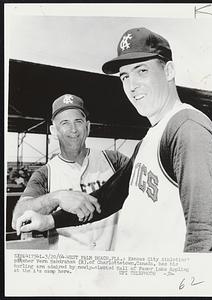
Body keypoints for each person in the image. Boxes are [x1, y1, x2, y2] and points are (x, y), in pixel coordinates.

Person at [16, 27, 212, 253]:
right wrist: (51, 221)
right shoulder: (150, 138)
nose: (132, 85)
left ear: (169, 71)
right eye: (125, 76)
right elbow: (108, 197)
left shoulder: (186, 128)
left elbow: (206, 232)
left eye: (142, 71)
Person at [12, 93, 129, 250]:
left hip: (112, 265)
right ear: (54, 130)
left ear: (87, 127)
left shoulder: (114, 159)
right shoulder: (45, 173)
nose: (73, 129)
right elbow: (18, 218)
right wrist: (56, 198)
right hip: (69, 269)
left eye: (78, 122)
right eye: (65, 123)